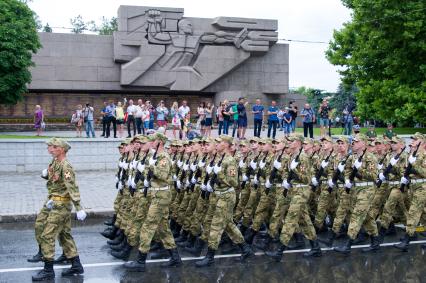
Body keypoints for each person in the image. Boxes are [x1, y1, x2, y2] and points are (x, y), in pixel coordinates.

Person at [31, 138, 87, 281]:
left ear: (62, 149)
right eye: (50, 146)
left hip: (61, 205)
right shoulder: (55, 162)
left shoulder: (65, 166)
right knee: (64, 234)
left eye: (54, 147)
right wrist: (46, 175)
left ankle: (48, 270)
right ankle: (76, 264)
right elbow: (55, 180)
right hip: (54, 201)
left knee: (48, 235)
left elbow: (72, 187)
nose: (50, 149)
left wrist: (79, 207)